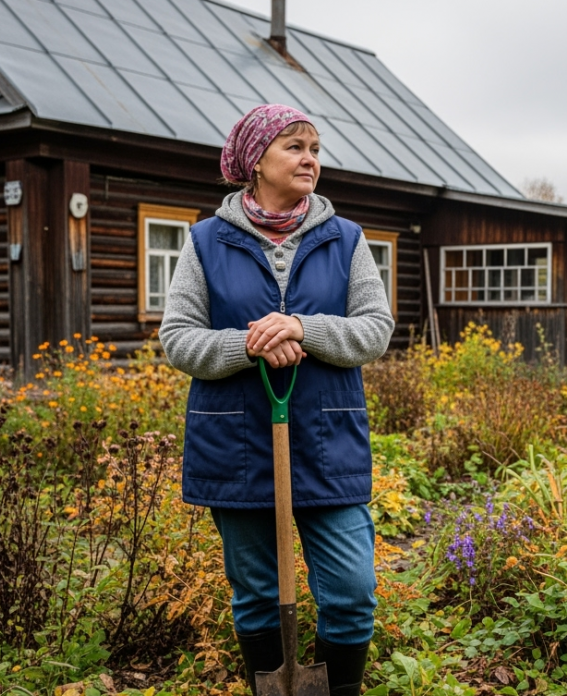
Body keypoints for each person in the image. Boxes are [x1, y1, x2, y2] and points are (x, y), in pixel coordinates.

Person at [160, 104, 394, 696]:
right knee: (258, 595)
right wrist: (250, 343)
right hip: (235, 443)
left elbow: (375, 329)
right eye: (294, 146)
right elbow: (177, 338)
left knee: (351, 590)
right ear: (254, 160)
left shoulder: (347, 240)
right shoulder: (205, 242)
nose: (311, 158)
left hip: (326, 441)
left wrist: (303, 329)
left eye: (315, 146)